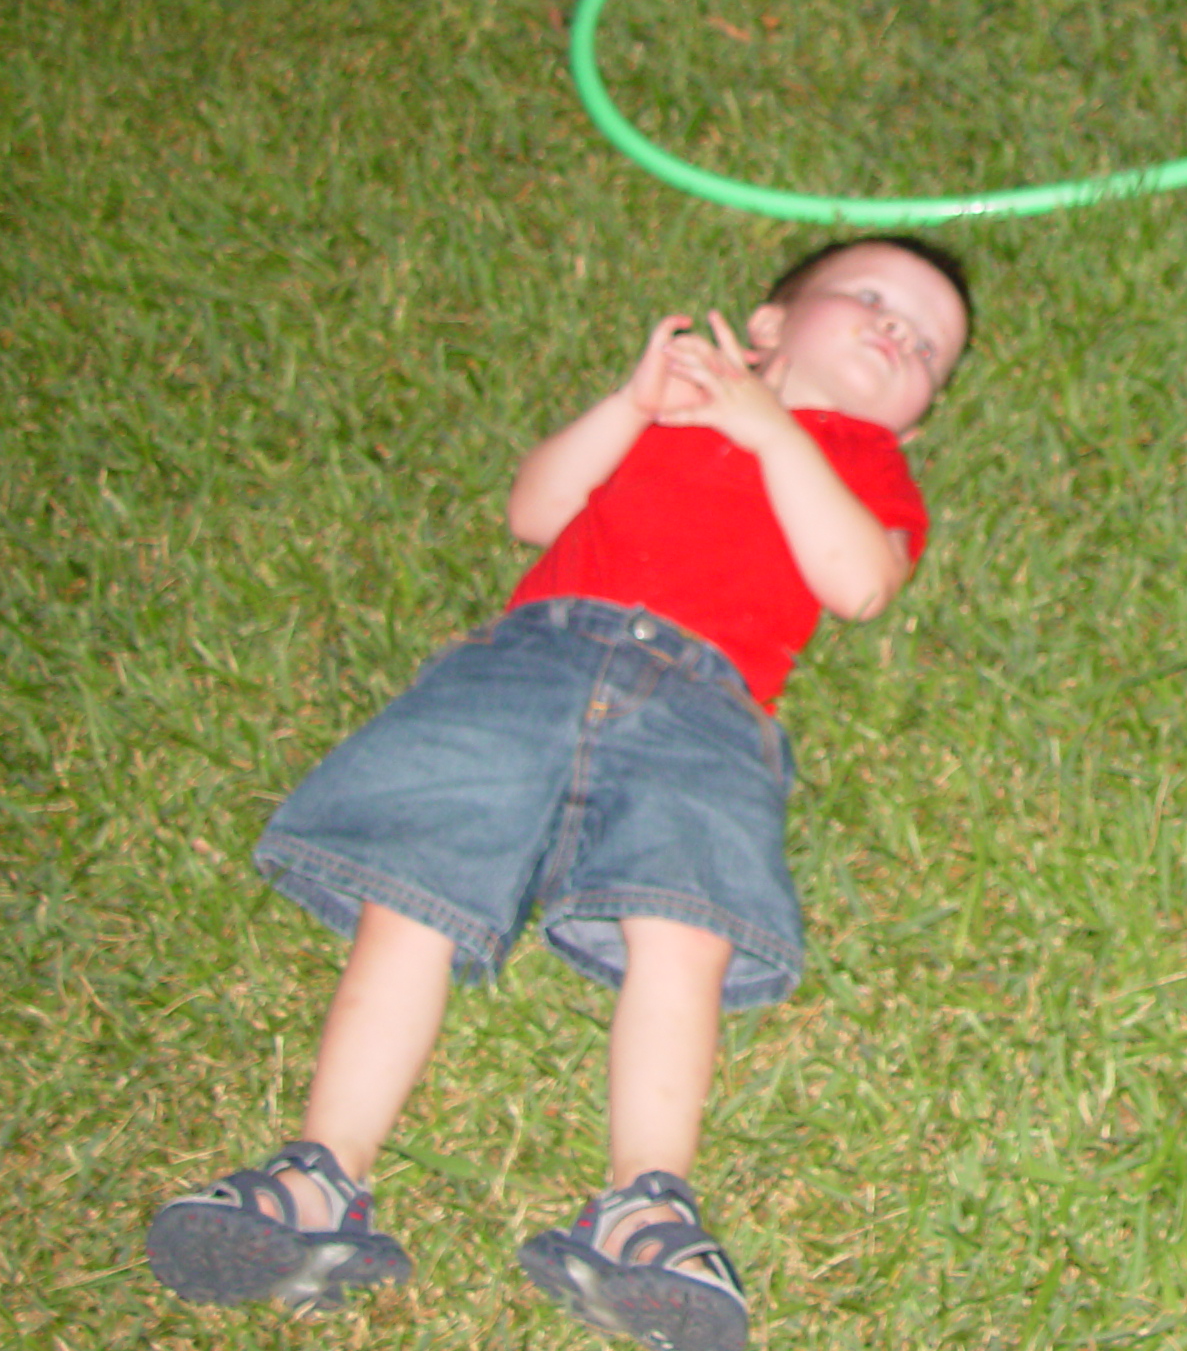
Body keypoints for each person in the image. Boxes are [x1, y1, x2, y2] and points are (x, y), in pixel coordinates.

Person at [145, 237, 974, 1351]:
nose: (895, 331)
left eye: (925, 346)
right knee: (415, 892)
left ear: (913, 423)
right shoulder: (661, 414)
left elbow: (861, 582)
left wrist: (772, 432)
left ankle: (648, 1206)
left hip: (704, 708)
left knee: (681, 933)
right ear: (768, 325)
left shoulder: (863, 467)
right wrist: (632, 404)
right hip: (527, 661)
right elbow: (535, 512)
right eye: (870, 299)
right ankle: (315, 1179)